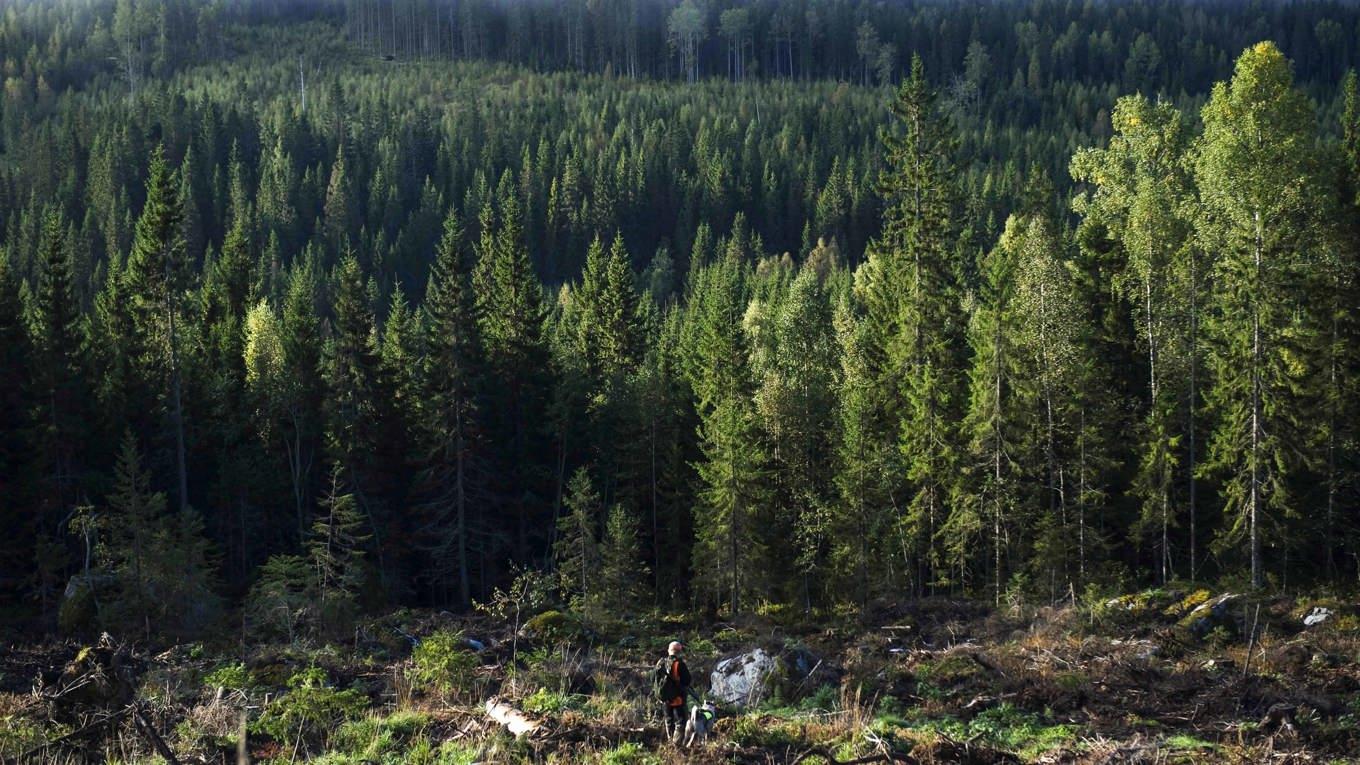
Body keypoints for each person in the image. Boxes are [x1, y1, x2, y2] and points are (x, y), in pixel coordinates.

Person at [653, 640, 692, 743]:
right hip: (678, 699)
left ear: (669, 650)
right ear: (679, 651)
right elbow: (687, 680)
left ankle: (670, 743)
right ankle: (676, 745)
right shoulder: (679, 664)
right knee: (680, 722)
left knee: (669, 721)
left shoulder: (660, 663)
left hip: (664, 699)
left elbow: (652, 678)